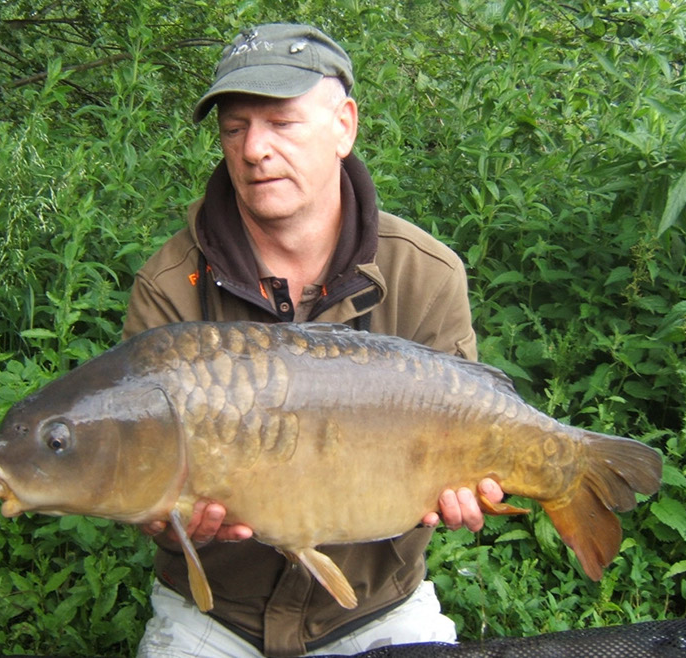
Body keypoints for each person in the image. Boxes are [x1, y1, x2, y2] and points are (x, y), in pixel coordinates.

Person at [122, 22, 504, 658]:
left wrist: (464, 484)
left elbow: (464, 427)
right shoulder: (170, 285)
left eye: (282, 123)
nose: (253, 150)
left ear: (344, 126)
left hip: (377, 608)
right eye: (235, 127)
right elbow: (143, 489)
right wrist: (168, 525)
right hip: (215, 614)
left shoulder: (426, 273)